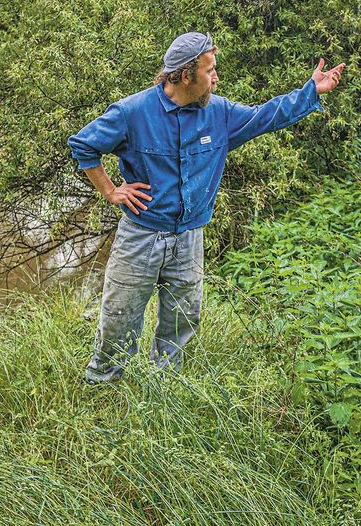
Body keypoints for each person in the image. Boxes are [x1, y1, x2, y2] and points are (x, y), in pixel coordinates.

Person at [68, 32, 345, 383]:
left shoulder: (220, 114)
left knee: (182, 320)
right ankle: (102, 385)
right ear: (186, 75)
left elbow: (267, 116)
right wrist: (110, 191)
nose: (216, 77)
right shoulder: (132, 112)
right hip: (140, 237)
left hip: (189, 238)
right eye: (210, 69)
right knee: (119, 316)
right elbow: (83, 146)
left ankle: (165, 389)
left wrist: (310, 91)